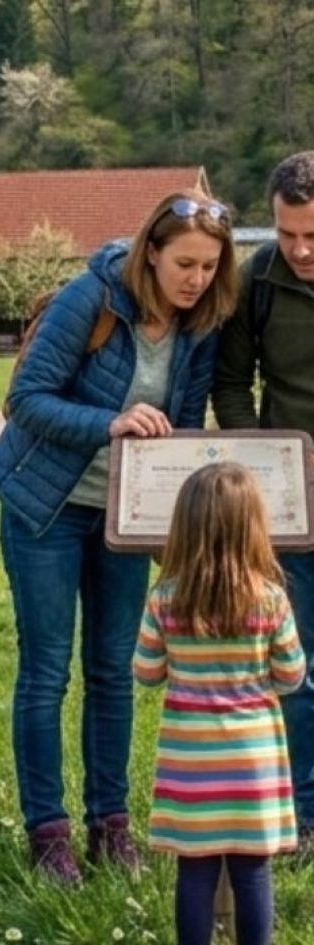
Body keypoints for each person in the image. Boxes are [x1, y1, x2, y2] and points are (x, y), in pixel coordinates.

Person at [0, 189, 238, 884]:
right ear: (150, 253)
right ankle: (48, 836)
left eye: (209, 267)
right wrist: (110, 423)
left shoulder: (201, 323)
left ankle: (111, 827)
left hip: (124, 517)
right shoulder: (90, 298)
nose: (196, 279)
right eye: (184, 264)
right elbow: (24, 400)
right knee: (47, 671)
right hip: (46, 505)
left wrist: (178, 520)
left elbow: (185, 425)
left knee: (112, 671)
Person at [133, 462, 305, 945]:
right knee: (253, 871)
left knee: (194, 870)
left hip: (190, 762)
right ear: (254, 527)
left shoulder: (165, 599)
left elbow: (146, 672)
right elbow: (292, 676)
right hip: (253, 762)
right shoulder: (271, 600)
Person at [212, 151, 314, 859]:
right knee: (297, 665)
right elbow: (229, 382)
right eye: (287, 234)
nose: (299, 249)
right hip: (288, 501)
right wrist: (262, 461)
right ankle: (303, 815)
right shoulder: (257, 280)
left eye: (312, 236)